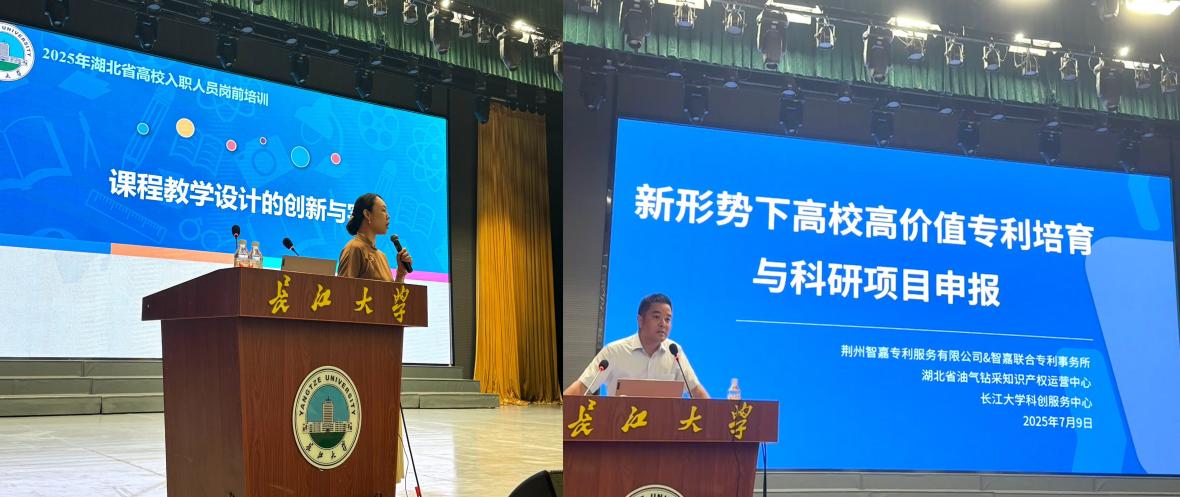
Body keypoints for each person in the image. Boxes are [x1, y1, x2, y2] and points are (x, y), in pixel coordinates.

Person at [336, 192, 414, 482]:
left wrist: (401, 275)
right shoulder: (353, 249)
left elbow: (390, 302)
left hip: (383, 347)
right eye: (383, 210)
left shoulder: (381, 255)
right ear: (367, 215)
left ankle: (382, 474)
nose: (388, 216)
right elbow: (342, 297)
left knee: (383, 412)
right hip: (360, 349)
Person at [564, 293, 709, 398]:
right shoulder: (614, 351)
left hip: (663, 427)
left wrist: (715, 418)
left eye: (668, 319)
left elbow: (696, 391)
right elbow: (582, 387)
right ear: (640, 320)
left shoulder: (675, 352)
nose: (663, 324)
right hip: (619, 426)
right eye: (656, 317)